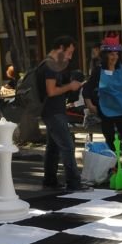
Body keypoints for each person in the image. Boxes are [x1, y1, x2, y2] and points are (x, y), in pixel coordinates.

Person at [84, 35, 122, 178]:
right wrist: (89, 104)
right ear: (105, 55)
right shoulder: (99, 71)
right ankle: (115, 170)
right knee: (110, 141)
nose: (114, 57)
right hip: (106, 110)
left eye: (116, 54)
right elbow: (88, 88)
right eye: (111, 54)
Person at [39, 36, 89, 191]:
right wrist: (70, 86)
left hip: (52, 110)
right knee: (67, 146)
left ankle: (50, 180)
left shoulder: (52, 64)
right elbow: (51, 91)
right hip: (53, 111)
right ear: (61, 48)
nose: (70, 56)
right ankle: (73, 182)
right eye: (69, 52)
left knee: (53, 147)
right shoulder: (50, 65)